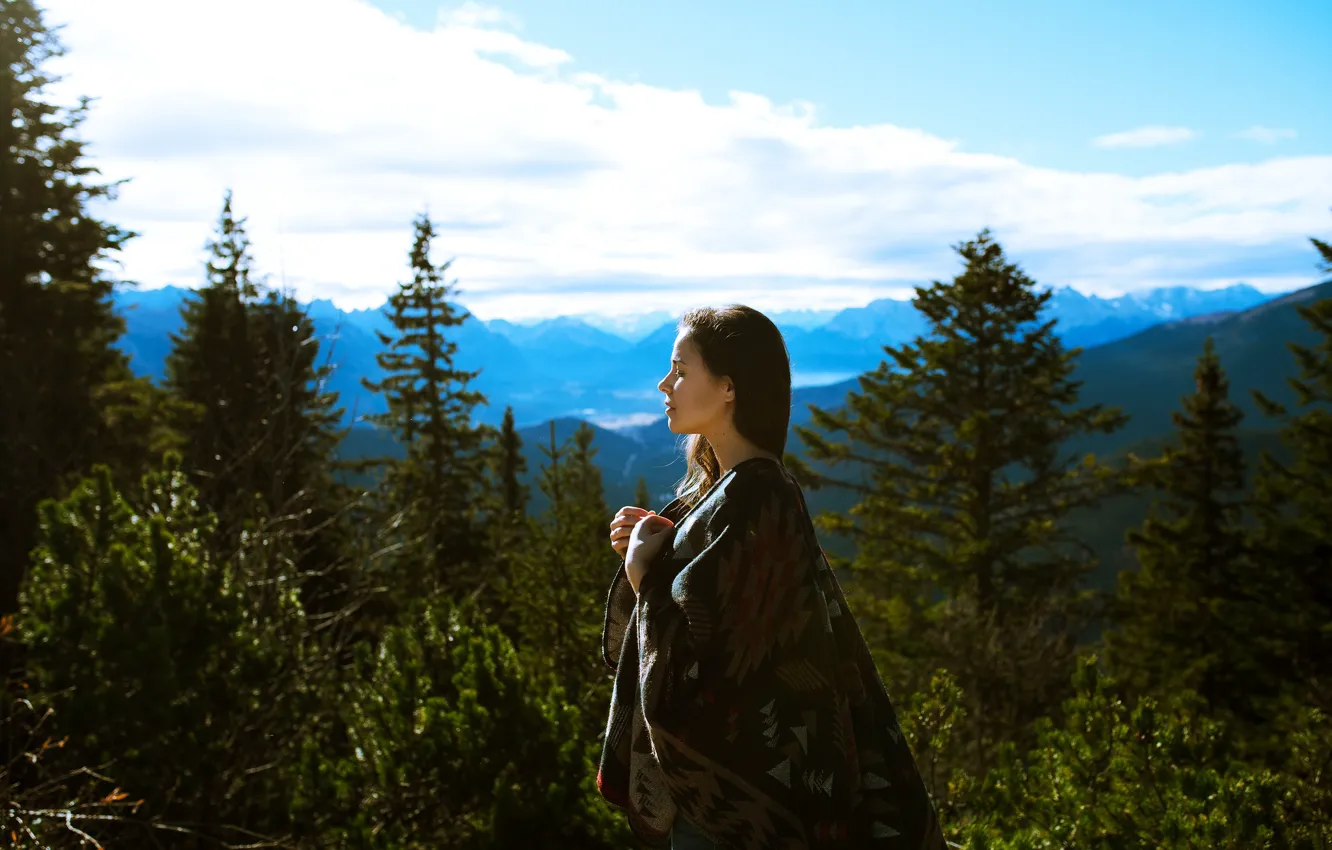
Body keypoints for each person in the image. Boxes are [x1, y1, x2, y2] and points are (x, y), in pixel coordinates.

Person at [597, 305, 947, 849]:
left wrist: (645, 574)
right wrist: (661, 550)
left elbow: (710, 666)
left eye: (681, 371)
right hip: (736, 800)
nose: (665, 384)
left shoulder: (759, 498)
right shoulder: (735, 493)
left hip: (739, 812)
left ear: (729, 387)